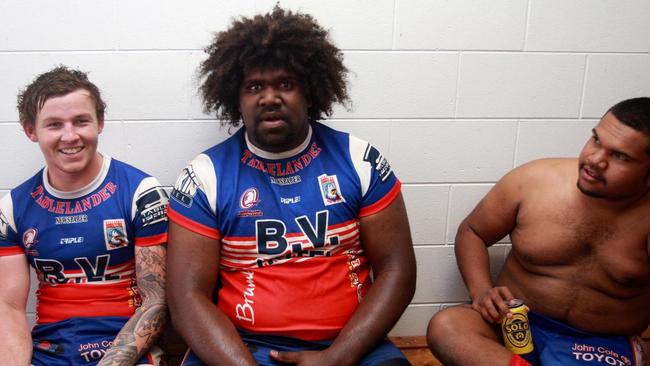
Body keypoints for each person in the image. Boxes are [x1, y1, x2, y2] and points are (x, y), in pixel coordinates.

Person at [166, 6, 416, 366]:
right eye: (254, 87)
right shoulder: (205, 175)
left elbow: (398, 270)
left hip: (352, 347)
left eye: (286, 84)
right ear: (236, 98)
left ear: (310, 91)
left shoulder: (360, 159)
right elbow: (186, 297)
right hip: (240, 348)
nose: (269, 98)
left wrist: (337, 358)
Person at [427, 97, 650, 366]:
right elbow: (473, 231)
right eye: (596, 140)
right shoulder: (534, 181)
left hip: (600, 344)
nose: (594, 159)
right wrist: (482, 290)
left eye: (620, 156)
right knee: (447, 326)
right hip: (513, 322)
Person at [0, 66, 169, 365]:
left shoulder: (141, 192)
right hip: (50, 351)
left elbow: (156, 301)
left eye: (81, 121)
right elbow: (9, 309)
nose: (70, 136)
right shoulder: (12, 207)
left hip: (127, 348)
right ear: (30, 130)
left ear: (100, 123)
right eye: (54, 125)